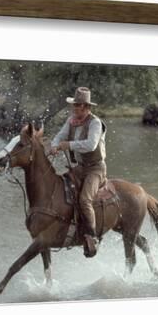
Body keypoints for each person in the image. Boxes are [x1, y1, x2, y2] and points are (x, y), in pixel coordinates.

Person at [50, 87, 107, 257]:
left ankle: (91, 236)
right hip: (80, 167)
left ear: (85, 106)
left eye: (77, 105)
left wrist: (69, 145)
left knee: (84, 200)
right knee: (61, 189)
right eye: (74, 105)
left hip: (96, 169)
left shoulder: (95, 123)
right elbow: (60, 136)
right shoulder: (72, 120)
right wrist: (54, 146)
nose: (73, 108)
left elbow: (91, 145)